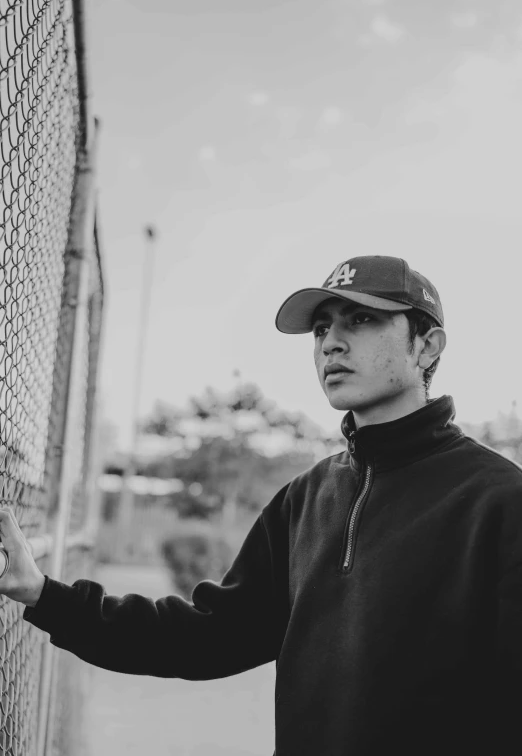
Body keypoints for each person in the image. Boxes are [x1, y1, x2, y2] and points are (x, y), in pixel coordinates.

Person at [0, 253, 521, 755]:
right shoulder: (305, 498)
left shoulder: (498, 500)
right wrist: (45, 596)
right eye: (320, 329)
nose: (331, 344)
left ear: (427, 346)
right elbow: (210, 634)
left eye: (361, 319)